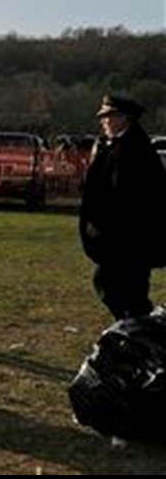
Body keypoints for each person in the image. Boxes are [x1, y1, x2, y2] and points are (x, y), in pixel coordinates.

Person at [80, 95, 166, 320]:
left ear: (124, 118)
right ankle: (134, 326)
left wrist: (100, 223)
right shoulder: (119, 145)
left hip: (131, 235)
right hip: (124, 236)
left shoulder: (132, 149)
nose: (104, 122)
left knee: (120, 286)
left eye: (108, 117)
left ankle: (140, 329)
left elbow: (123, 194)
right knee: (117, 285)